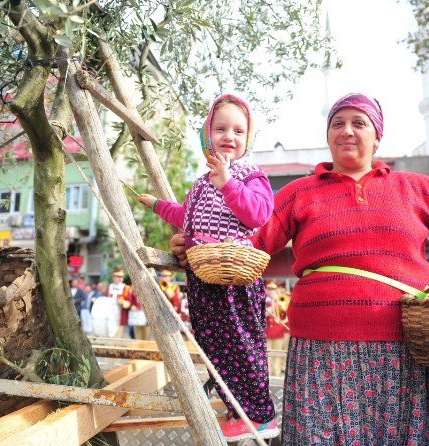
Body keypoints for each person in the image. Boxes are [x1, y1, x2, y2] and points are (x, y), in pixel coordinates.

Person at [171, 92, 429, 445]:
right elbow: (244, 249)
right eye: (337, 123)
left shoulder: (413, 187)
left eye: (358, 122)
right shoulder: (298, 193)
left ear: (377, 137)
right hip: (319, 351)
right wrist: (195, 245)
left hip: (403, 353)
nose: (347, 130)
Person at [138, 94, 279, 441]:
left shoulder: (250, 176)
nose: (229, 136)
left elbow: (258, 215)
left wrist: (228, 183)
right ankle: (236, 410)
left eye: (238, 131)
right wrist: (157, 205)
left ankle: (259, 414)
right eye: (220, 129)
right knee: (213, 347)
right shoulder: (201, 183)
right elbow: (184, 216)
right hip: (203, 278)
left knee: (242, 343)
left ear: (248, 140)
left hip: (234, 276)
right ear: (207, 136)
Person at [91, 269, 127, 337]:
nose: (120, 279)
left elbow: (129, 302)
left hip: (120, 314)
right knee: (109, 334)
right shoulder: (110, 287)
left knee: (118, 336)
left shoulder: (126, 288)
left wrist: (122, 303)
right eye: (117, 277)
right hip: (109, 314)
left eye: (121, 277)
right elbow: (106, 298)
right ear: (113, 278)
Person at [264, 281, 287, 377]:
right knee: (267, 354)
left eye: (273, 289)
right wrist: (270, 305)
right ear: (266, 290)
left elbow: (284, 313)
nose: (271, 291)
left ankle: (276, 373)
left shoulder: (280, 300)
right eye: (269, 289)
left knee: (278, 353)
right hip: (267, 331)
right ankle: (267, 374)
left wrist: (278, 303)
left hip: (278, 330)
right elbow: (264, 314)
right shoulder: (264, 301)